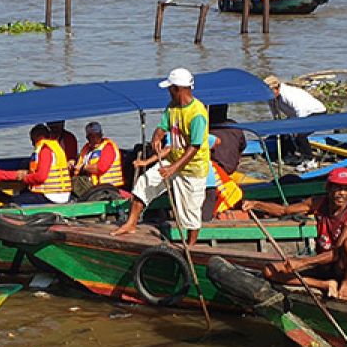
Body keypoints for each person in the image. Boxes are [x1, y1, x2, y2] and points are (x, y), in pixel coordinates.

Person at [111, 67, 209, 245]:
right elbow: (162, 127)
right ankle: (131, 224)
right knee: (144, 182)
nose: (168, 92)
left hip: (192, 169)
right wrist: (157, 136)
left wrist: (173, 168)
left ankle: (191, 245)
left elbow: (194, 147)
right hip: (172, 160)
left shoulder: (197, 113)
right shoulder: (172, 107)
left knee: (190, 210)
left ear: (177, 89)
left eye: (170, 88)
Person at [240, 167, 347, 299]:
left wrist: (302, 262)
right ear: (329, 188)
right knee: (269, 271)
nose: (341, 193)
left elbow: (336, 254)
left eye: (346, 189)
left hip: (343, 267)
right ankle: (324, 284)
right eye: (338, 188)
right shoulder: (318, 203)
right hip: (323, 265)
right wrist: (256, 204)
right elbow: (284, 211)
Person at [264, 75, 326, 166]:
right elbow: (275, 113)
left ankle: (309, 159)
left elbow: (300, 110)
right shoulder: (271, 98)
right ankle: (289, 155)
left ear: (276, 89)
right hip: (295, 115)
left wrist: (298, 126)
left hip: (315, 112)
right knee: (283, 131)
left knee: (300, 135)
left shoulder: (288, 94)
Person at [202, 105, 246, 221]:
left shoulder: (206, 128)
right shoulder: (235, 127)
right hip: (230, 168)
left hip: (218, 171)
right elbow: (242, 147)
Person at [10, 124, 72, 205]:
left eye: (32, 139)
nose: (32, 143)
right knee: (23, 193)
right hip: (62, 193)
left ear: (37, 137)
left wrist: (25, 178)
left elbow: (41, 177)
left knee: (12, 202)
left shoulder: (45, 150)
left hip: (51, 195)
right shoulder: (55, 147)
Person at [71, 121, 124, 197]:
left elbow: (100, 168)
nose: (94, 139)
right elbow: (78, 168)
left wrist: (83, 167)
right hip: (91, 187)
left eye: (97, 135)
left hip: (107, 189)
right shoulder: (86, 149)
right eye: (91, 136)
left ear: (101, 135)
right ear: (87, 137)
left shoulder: (108, 147)